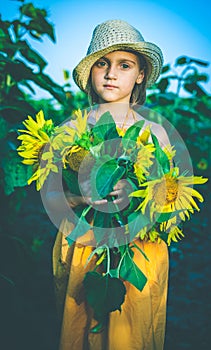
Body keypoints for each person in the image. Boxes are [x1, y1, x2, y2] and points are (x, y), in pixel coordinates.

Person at [51, 19, 170, 350]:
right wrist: (79, 196)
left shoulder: (154, 133)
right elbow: (50, 195)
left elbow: (168, 199)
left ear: (141, 74)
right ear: (91, 72)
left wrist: (138, 195)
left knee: (131, 331)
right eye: (101, 63)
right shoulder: (69, 130)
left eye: (124, 65)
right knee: (79, 324)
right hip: (83, 244)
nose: (110, 73)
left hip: (139, 250)